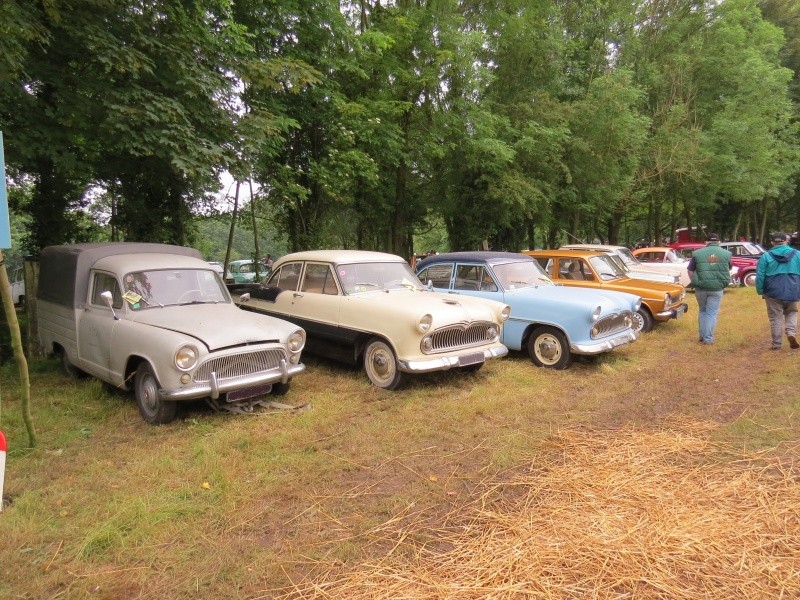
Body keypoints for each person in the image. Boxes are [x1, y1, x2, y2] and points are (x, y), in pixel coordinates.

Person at [755, 232, 800, 350]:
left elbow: (760, 276)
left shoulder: (766, 256)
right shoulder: (797, 254)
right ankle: (791, 333)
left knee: (775, 317)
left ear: (772, 242)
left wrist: (760, 290)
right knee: (792, 313)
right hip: (793, 289)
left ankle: (776, 344)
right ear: (786, 241)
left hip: (772, 291)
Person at [687, 233, 732, 345]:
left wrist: (695, 281)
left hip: (701, 288)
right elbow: (729, 267)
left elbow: (690, 270)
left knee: (702, 310)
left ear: (706, 242)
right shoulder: (726, 254)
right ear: (719, 242)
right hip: (717, 288)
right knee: (711, 313)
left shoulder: (697, 253)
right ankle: (708, 338)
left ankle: (702, 336)